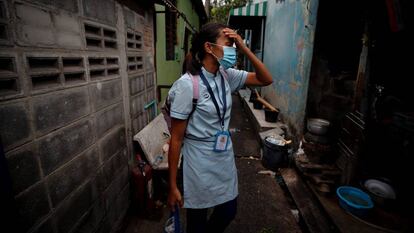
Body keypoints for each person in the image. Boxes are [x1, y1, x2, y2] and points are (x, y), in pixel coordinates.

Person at [167, 22, 273, 233]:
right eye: (229, 43)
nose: (232, 48)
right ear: (209, 47)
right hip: (198, 161)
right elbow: (176, 139)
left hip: (223, 156)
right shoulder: (187, 85)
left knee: (228, 210)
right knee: (197, 221)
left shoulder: (226, 75)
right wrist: (172, 186)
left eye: (234, 44)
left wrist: (244, 47)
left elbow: (266, 79)